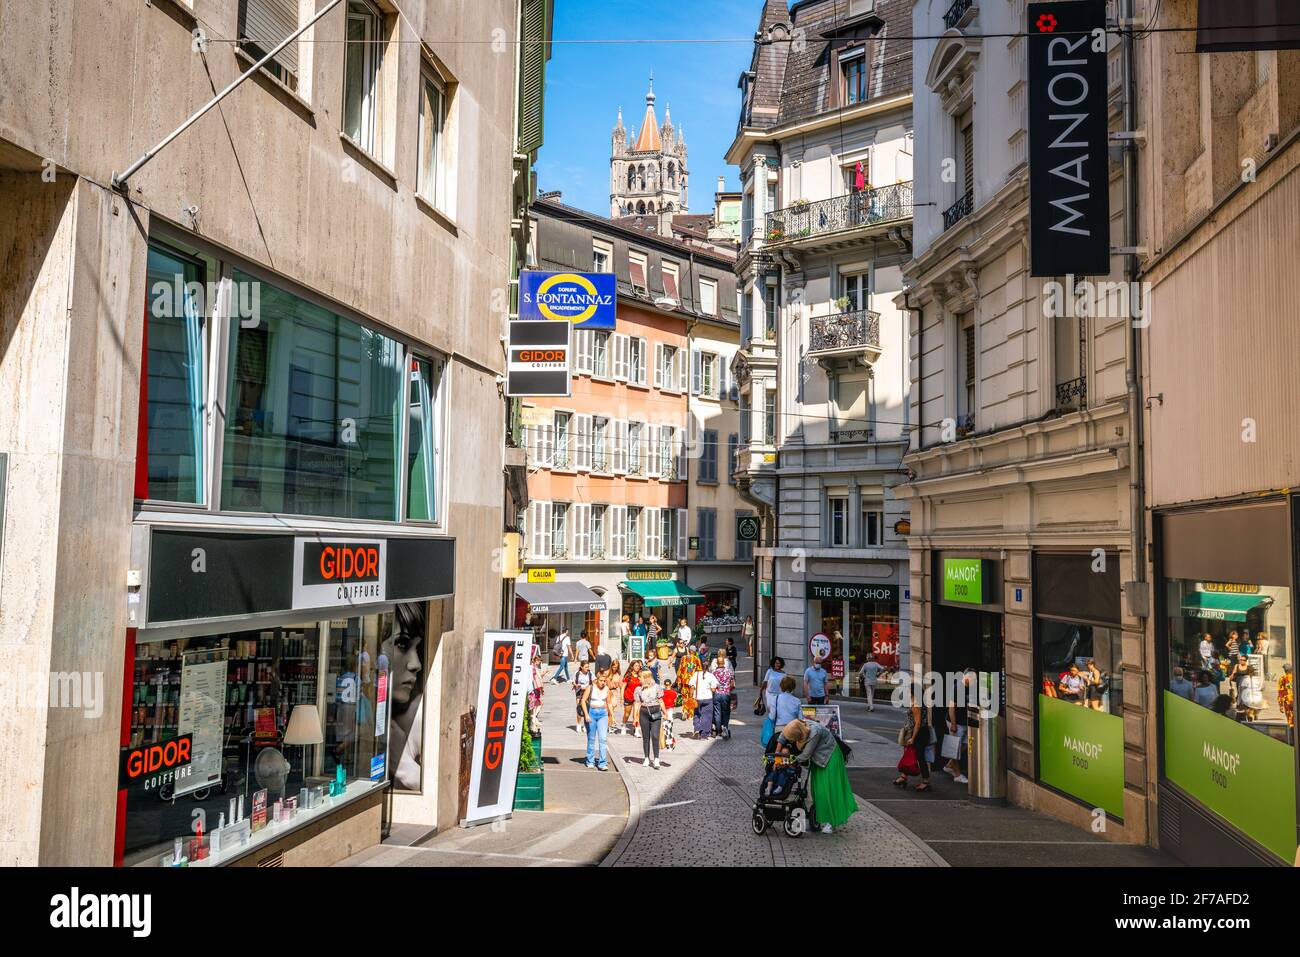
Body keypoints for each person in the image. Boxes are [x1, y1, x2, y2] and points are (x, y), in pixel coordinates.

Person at [782, 718, 856, 833]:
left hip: (829, 759)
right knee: (817, 791)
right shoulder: (801, 725)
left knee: (828, 791)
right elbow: (785, 734)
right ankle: (823, 817)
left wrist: (789, 761)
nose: (792, 741)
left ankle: (831, 822)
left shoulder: (814, 733)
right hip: (819, 759)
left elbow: (806, 755)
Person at [893, 687, 931, 792]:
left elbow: (918, 723)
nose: (908, 692)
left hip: (918, 734)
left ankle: (925, 781)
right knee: (909, 754)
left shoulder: (917, 705)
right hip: (919, 732)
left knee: (919, 757)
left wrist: (913, 738)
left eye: (910, 690)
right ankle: (903, 777)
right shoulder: (919, 702)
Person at [580, 670, 611, 771]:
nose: (603, 683)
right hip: (591, 713)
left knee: (603, 739)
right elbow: (583, 701)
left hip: (603, 714)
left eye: (604, 681)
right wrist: (586, 715)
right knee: (591, 739)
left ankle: (602, 763)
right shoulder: (590, 687)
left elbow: (608, 703)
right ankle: (590, 760)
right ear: (597, 680)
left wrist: (612, 716)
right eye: (601, 680)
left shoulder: (607, 689)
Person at [635, 671, 664, 768]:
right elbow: (637, 703)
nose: (638, 678)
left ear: (646, 677)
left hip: (655, 711)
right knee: (645, 737)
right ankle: (646, 758)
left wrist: (666, 713)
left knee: (655, 736)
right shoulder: (638, 689)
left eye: (640, 677)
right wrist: (635, 716)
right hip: (644, 712)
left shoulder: (656, 687)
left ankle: (656, 759)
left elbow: (660, 700)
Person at [690, 662, 719, 739]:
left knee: (697, 713)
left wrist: (691, 696)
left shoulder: (696, 674)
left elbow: (692, 687)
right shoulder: (711, 676)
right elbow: (713, 689)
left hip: (697, 698)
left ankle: (697, 728)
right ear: (708, 667)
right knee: (707, 716)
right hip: (707, 698)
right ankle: (704, 733)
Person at [678, 644, 703, 724]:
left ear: (689, 650)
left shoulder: (683, 658)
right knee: (691, 697)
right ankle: (691, 715)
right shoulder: (697, 659)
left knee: (685, 697)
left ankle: (685, 710)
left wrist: (679, 681)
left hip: (684, 680)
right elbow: (699, 671)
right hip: (693, 682)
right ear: (695, 652)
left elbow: (679, 670)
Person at [712, 650, 734, 739]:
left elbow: (712, 684)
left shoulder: (713, 673)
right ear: (724, 662)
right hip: (726, 694)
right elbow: (732, 684)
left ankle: (718, 730)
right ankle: (725, 727)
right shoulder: (729, 672)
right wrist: (729, 689)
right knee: (726, 712)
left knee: (717, 712)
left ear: (717, 663)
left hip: (717, 694)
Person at [620, 659, 643, 735]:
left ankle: (636, 730)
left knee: (636, 714)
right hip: (628, 697)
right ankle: (624, 724)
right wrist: (622, 698)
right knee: (627, 714)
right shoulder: (628, 676)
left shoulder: (641, 676)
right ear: (632, 666)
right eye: (635, 666)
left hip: (637, 699)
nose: (637, 667)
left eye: (638, 666)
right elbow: (623, 687)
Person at [572, 660, 594, 732]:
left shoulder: (590, 673)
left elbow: (594, 681)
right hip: (579, 692)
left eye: (588, 667)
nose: (587, 668)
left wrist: (589, 686)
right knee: (579, 708)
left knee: (587, 708)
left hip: (587, 692)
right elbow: (573, 681)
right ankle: (578, 725)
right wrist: (576, 685)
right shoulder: (577, 673)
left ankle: (585, 725)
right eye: (586, 667)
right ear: (581, 667)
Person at [661, 682, 678, 752]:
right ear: (671, 684)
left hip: (664, 711)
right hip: (670, 711)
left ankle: (670, 744)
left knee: (666, 728)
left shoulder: (662, 692)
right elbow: (675, 701)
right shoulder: (674, 693)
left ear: (664, 685)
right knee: (668, 728)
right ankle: (670, 743)